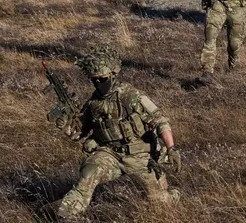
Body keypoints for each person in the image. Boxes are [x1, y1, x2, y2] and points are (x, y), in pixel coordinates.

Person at [54, 45, 179, 219]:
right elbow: (78, 133)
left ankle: (173, 196)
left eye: (102, 79)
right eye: (94, 80)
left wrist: (171, 148)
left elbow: (161, 121)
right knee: (88, 174)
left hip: (139, 156)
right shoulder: (94, 102)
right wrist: (66, 125)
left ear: (113, 75)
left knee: (159, 203)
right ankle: (66, 215)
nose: (98, 84)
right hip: (109, 154)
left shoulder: (131, 96)